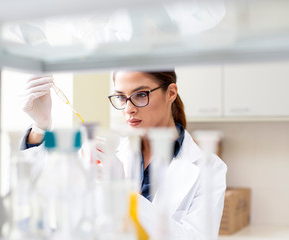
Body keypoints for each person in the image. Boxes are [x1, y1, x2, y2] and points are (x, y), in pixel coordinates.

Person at [20, 71, 227, 240]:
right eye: (121, 97)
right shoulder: (110, 153)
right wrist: (40, 127)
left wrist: (124, 193)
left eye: (140, 95)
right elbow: (40, 203)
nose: (128, 109)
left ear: (171, 93)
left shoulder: (210, 169)